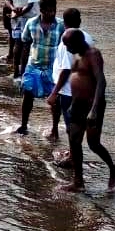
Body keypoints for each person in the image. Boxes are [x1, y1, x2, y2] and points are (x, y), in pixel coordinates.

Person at [54, 28, 115, 191]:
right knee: (74, 141)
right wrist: (71, 105)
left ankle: (112, 168)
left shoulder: (93, 55)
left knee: (93, 144)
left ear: (77, 42)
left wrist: (95, 110)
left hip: (91, 107)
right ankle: (78, 182)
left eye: (68, 45)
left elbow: (101, 82)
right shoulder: (78, 55)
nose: (67, 49)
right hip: (77, 106)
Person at [16, 0, 64, 137]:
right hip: (33, 66)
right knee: (27, 95)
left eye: (53, 11)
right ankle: (24, 125)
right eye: (48, 11)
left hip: (53, 68)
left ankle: (54, 129)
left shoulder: (61, 25)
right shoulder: (31, 23)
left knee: (55, 99)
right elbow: (25, 47)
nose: (51, 14)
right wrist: (22, 70)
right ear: (41, 10)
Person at [47, 8, 92, 142]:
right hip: (83, 89)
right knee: (77, 123)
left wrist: (54, 92)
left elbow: (66, 70)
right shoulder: (87, 37)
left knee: (70, 125)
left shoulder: (67, 40)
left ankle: (72, 156)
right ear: (80, 21)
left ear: (64, 23)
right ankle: (71, 151)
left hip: (68, 91)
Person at [3, 0, 40, 77]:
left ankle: (15, 72)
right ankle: (23, 72)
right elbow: (30, 5)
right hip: (28, 18)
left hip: (16, 17)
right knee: (26, 45)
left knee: (17, 43)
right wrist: (21, 12)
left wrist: (14, 10)